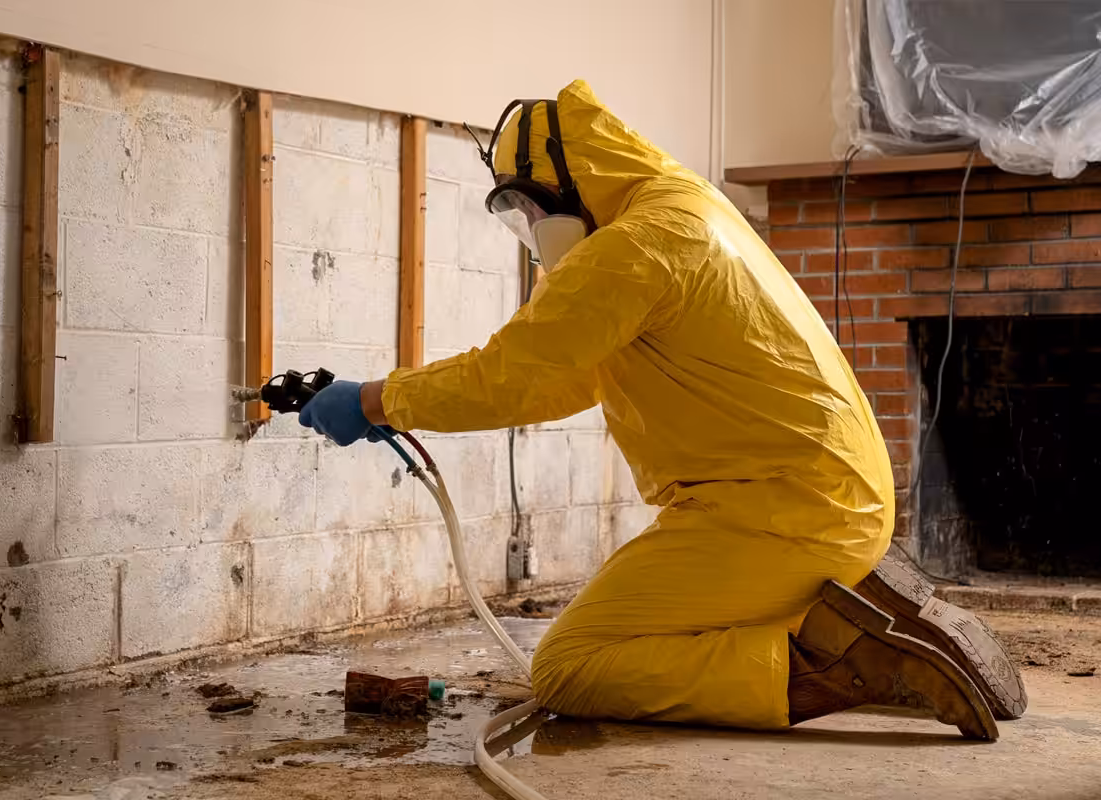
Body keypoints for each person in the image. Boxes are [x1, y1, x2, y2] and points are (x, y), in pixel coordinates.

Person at [298, 80, 1025, 738]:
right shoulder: (681, 209)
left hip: (780, 513)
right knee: (624, 633)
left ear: (567, 184)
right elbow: (564, 381)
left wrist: (376, 399)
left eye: (527, 206)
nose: (530, 227)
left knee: (572, 663)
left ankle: (841, 660)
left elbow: (512, 376)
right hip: (820, 498)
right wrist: (392, 403)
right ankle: (857, 621)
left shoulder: (638, 246)